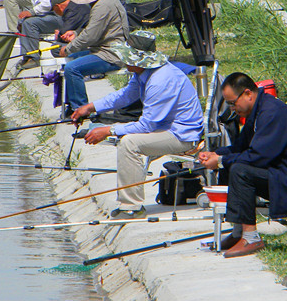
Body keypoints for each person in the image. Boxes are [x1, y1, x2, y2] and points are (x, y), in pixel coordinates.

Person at [198, 73, 287, 258]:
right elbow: (240, 147)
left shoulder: (272, 112)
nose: (233, 109)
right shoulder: (257, 110)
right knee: (232, 164)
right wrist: (216, 154)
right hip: (281, 175)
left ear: (248, 94)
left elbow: (258, 157)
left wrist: (219, 161)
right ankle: (238, 233)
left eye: (233, 103)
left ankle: (251, 238)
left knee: (240, 170)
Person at [71, 42, 203, 219]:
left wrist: (109, 130)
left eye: (127, 58)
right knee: (125, 137)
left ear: (140, 60)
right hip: (164, 128)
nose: (124, 61)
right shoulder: (143, 72)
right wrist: (91, 107)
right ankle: (129, 203)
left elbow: (146, 126)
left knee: (129, 143)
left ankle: (131, 207)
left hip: (182, 135)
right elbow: (125, 96)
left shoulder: (160, 80)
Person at [57, 0, 129, 110]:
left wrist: (69, 48)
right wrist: (76, 34)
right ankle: (71, 105)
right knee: (73, 58)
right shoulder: (106, 0)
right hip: (104, 48)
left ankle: (80, 109)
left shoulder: (102, 6)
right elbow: (94, 29)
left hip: (112, 54)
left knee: (72, 68)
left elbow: (90, 36)